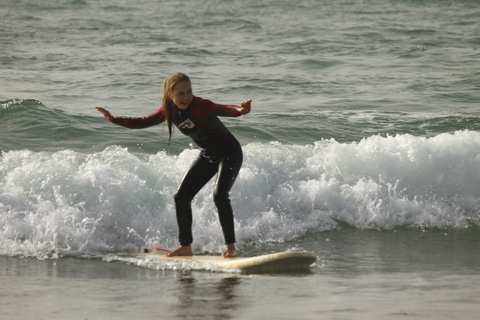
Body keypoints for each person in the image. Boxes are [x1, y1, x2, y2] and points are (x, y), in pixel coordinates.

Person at [96, 72, 252, 258]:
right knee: (181, 197)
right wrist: (114, 119)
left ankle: (230, 247)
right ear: (170, 94)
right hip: (208, 155)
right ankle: (185, 247)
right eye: (180, 93)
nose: (186, 97)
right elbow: (143, 122)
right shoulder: (168, 111)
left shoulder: (200, 105)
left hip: (230, 153)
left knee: (220, 195)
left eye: (189, 92)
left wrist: (241, 111)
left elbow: (225, 109)